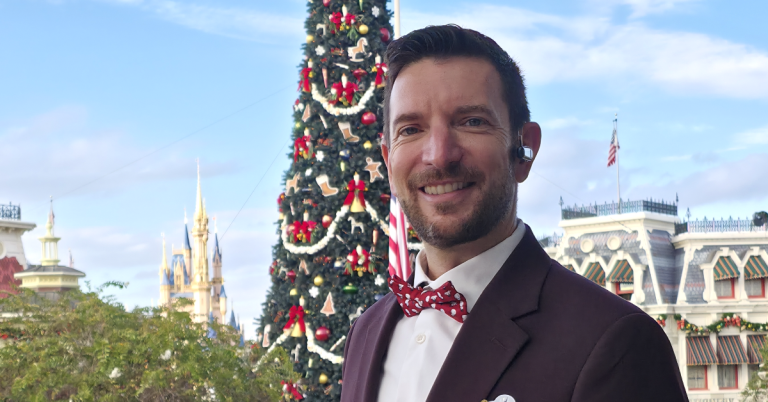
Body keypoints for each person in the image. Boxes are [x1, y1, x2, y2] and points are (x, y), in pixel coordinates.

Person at [341, 25, 687, 402]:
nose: (439, 155)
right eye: (411, 129)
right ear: (388, 161)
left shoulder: (617, 342)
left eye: (471, 121)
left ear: (524, 150)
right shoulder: (365, 333)